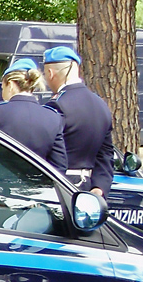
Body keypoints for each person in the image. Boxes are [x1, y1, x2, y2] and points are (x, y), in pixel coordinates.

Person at [41, 45, 115, 196]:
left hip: (61, 186)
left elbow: (47, 148)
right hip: (89, 188)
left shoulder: (57, 104)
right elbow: (106, 154)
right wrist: (99, 187)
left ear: (50, 73)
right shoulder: (100, 104)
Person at [0, 58, 67, 170]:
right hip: (37, 186)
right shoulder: (53, 117)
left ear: (10, 84)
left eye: (2, 87)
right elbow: (60, 165)